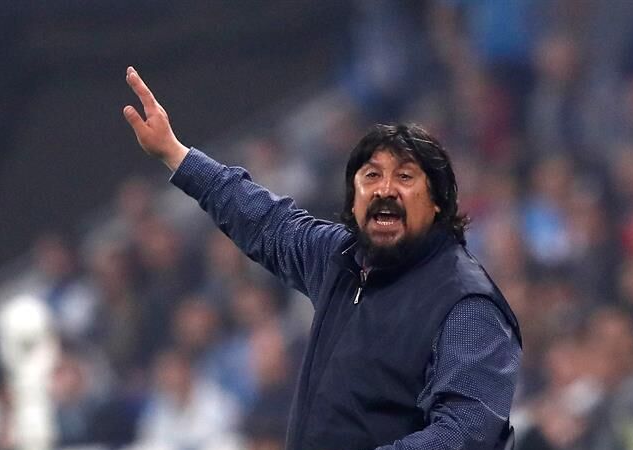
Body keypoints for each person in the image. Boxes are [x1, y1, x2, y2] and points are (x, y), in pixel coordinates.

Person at [122, 66, 522, 449]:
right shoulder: (341, 257)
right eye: (371, 176)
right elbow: (264, 221)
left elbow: (468, 432)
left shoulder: (465, 303)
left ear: (437, 201)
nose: (385, 190)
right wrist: (176, 154)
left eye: (405, 177)